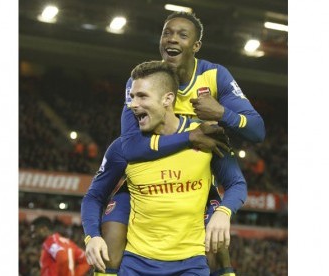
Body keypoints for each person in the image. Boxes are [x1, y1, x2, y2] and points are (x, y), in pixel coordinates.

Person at [101, 11, 265, 276]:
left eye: (181, 34)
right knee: (110, 239)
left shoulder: (214, 77)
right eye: (167, 33)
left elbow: (257, 130)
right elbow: (131, 146)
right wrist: (190, 137)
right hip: (146, 181)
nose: (171, 39)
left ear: (196, 46)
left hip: (193, 182)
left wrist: (223, 113)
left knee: (216, 248)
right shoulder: (144, 82)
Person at [81, 61, 247, 276]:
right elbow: (94, 196)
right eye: (132, 97)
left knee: (219, 241)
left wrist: (224, 213)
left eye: (142, 96)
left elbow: (237, 184)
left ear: (167, 99)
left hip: (191, 264)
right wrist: (92, 237)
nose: (132, 104)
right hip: (136, 264)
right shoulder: (124, 148)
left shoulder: (207, 136)